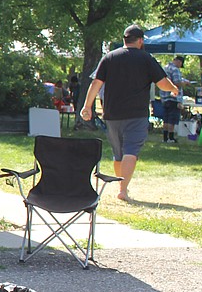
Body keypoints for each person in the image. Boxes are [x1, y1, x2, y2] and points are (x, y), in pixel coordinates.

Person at [80, 24, 178, 201]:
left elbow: (96, 84)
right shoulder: (146, 58)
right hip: (136, 114)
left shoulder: (109, 57)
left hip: (112, 114)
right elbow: (162, 83)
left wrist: (87, 106)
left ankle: (121, 186)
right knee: (131, 151)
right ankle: (123, 190)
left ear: (124, 40)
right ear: (140, 41)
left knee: (119, 153)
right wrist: (173, 89)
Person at [162, 55, 189, 143]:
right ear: (179, 62)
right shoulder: (175, 69)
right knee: (172, 119)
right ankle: (171, 137)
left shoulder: (165, 68)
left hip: (164, 97)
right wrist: (184, 84)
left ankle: (165, 138)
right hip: (174, 97)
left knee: (165, 118)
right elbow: (177, 83)